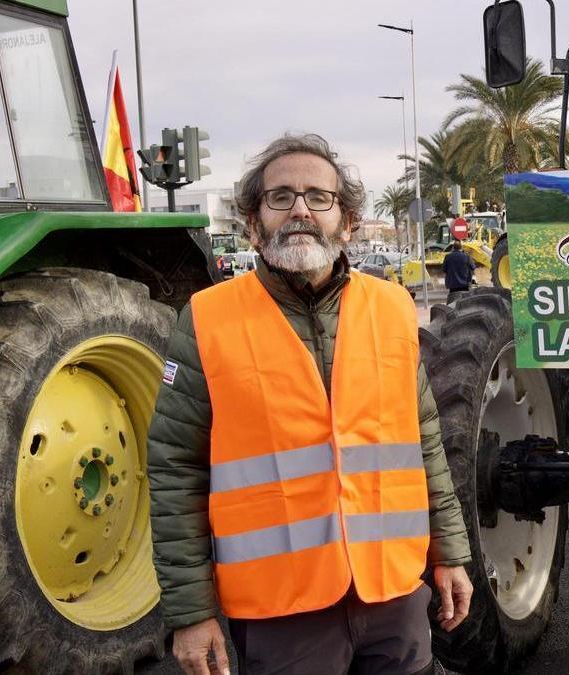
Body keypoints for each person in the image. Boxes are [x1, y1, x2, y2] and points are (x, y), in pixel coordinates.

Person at [146, 133, 473, 675]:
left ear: (347, 222)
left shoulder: (392, 310)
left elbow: (424, 444)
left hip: (393, 595)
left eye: (319, 197)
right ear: (253, 223)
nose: (300, 208)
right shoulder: (207, 321)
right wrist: (190, 613)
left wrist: (450, 554)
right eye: (281, 197)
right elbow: (174, 470)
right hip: (282, 613)